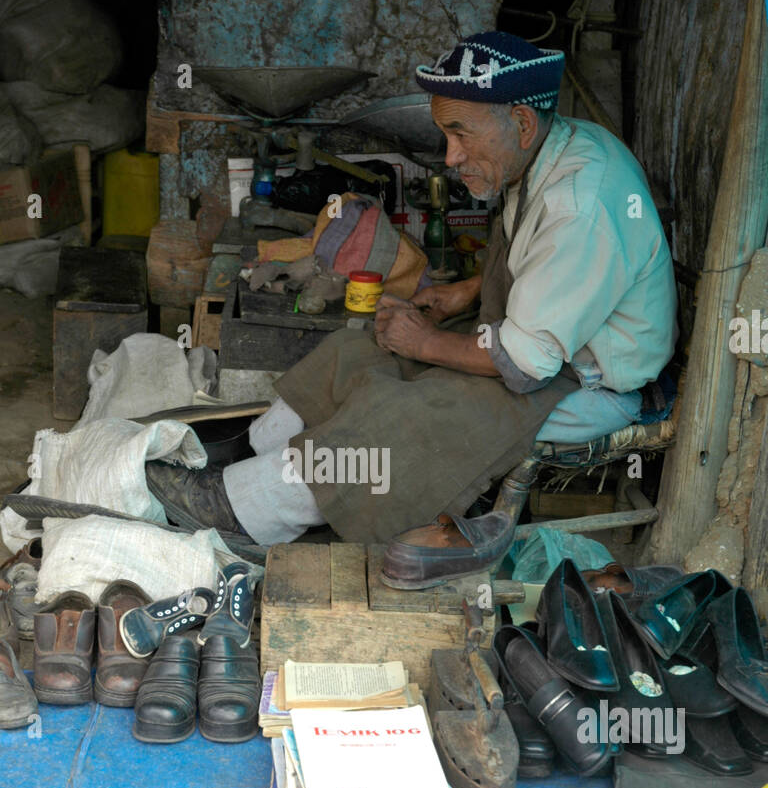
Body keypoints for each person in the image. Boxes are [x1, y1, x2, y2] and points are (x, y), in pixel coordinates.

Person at [146, 30, 677, 580]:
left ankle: (246, 508)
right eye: (445, 132)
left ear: (520, 123)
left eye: (460, 133)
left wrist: (424, 343)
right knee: (362, 344)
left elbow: (523, 367)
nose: (451, 156)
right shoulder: (550, 145)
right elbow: (540, 262)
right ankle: (247, 454)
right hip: (542, 340)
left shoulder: (580, 202)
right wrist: (464, 292)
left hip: (585, 382)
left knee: (413, 413)